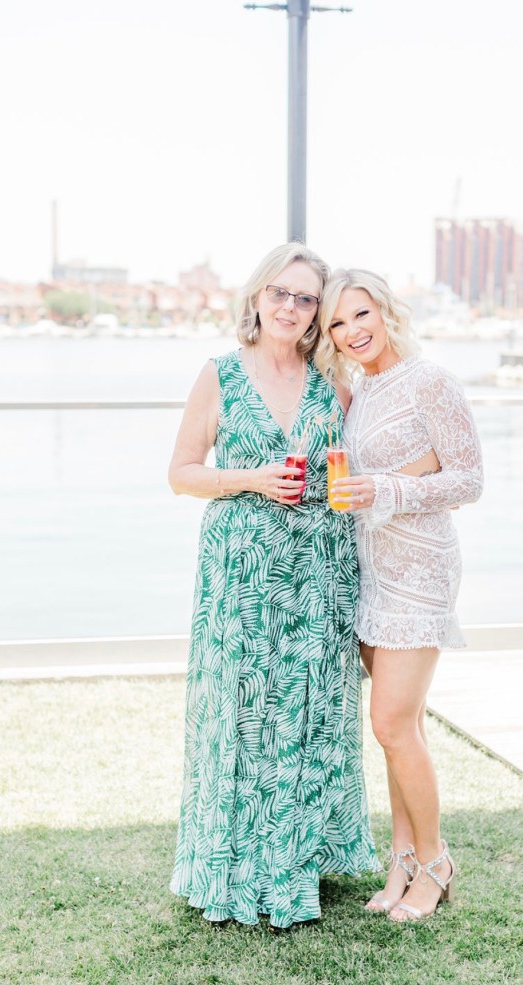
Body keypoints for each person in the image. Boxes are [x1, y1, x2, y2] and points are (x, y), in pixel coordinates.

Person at [168, 243, 377, 929]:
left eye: (306, 297)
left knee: (308, 711)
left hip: (319, 568)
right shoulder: (220, 375)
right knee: (242, 710)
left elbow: (358, 464)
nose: (290, 306)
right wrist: (250, 479)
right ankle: (233, 864)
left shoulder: (334, 385)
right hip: (242, 570)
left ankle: (297, 858)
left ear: (318, 311)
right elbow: (182, 473)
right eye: (279, 293)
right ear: (257, 297)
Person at [316, 268, 483, 922]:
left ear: (386, 312)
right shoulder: (359, 391)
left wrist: (388, 488)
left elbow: (468, 479)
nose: (352, 331)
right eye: (336, 323)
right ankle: (402, 861)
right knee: (399, 730)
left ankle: (436, 862)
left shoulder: (430, 380)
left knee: (388, 722)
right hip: (372, 568)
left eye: (361, 314)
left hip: (420, 569)